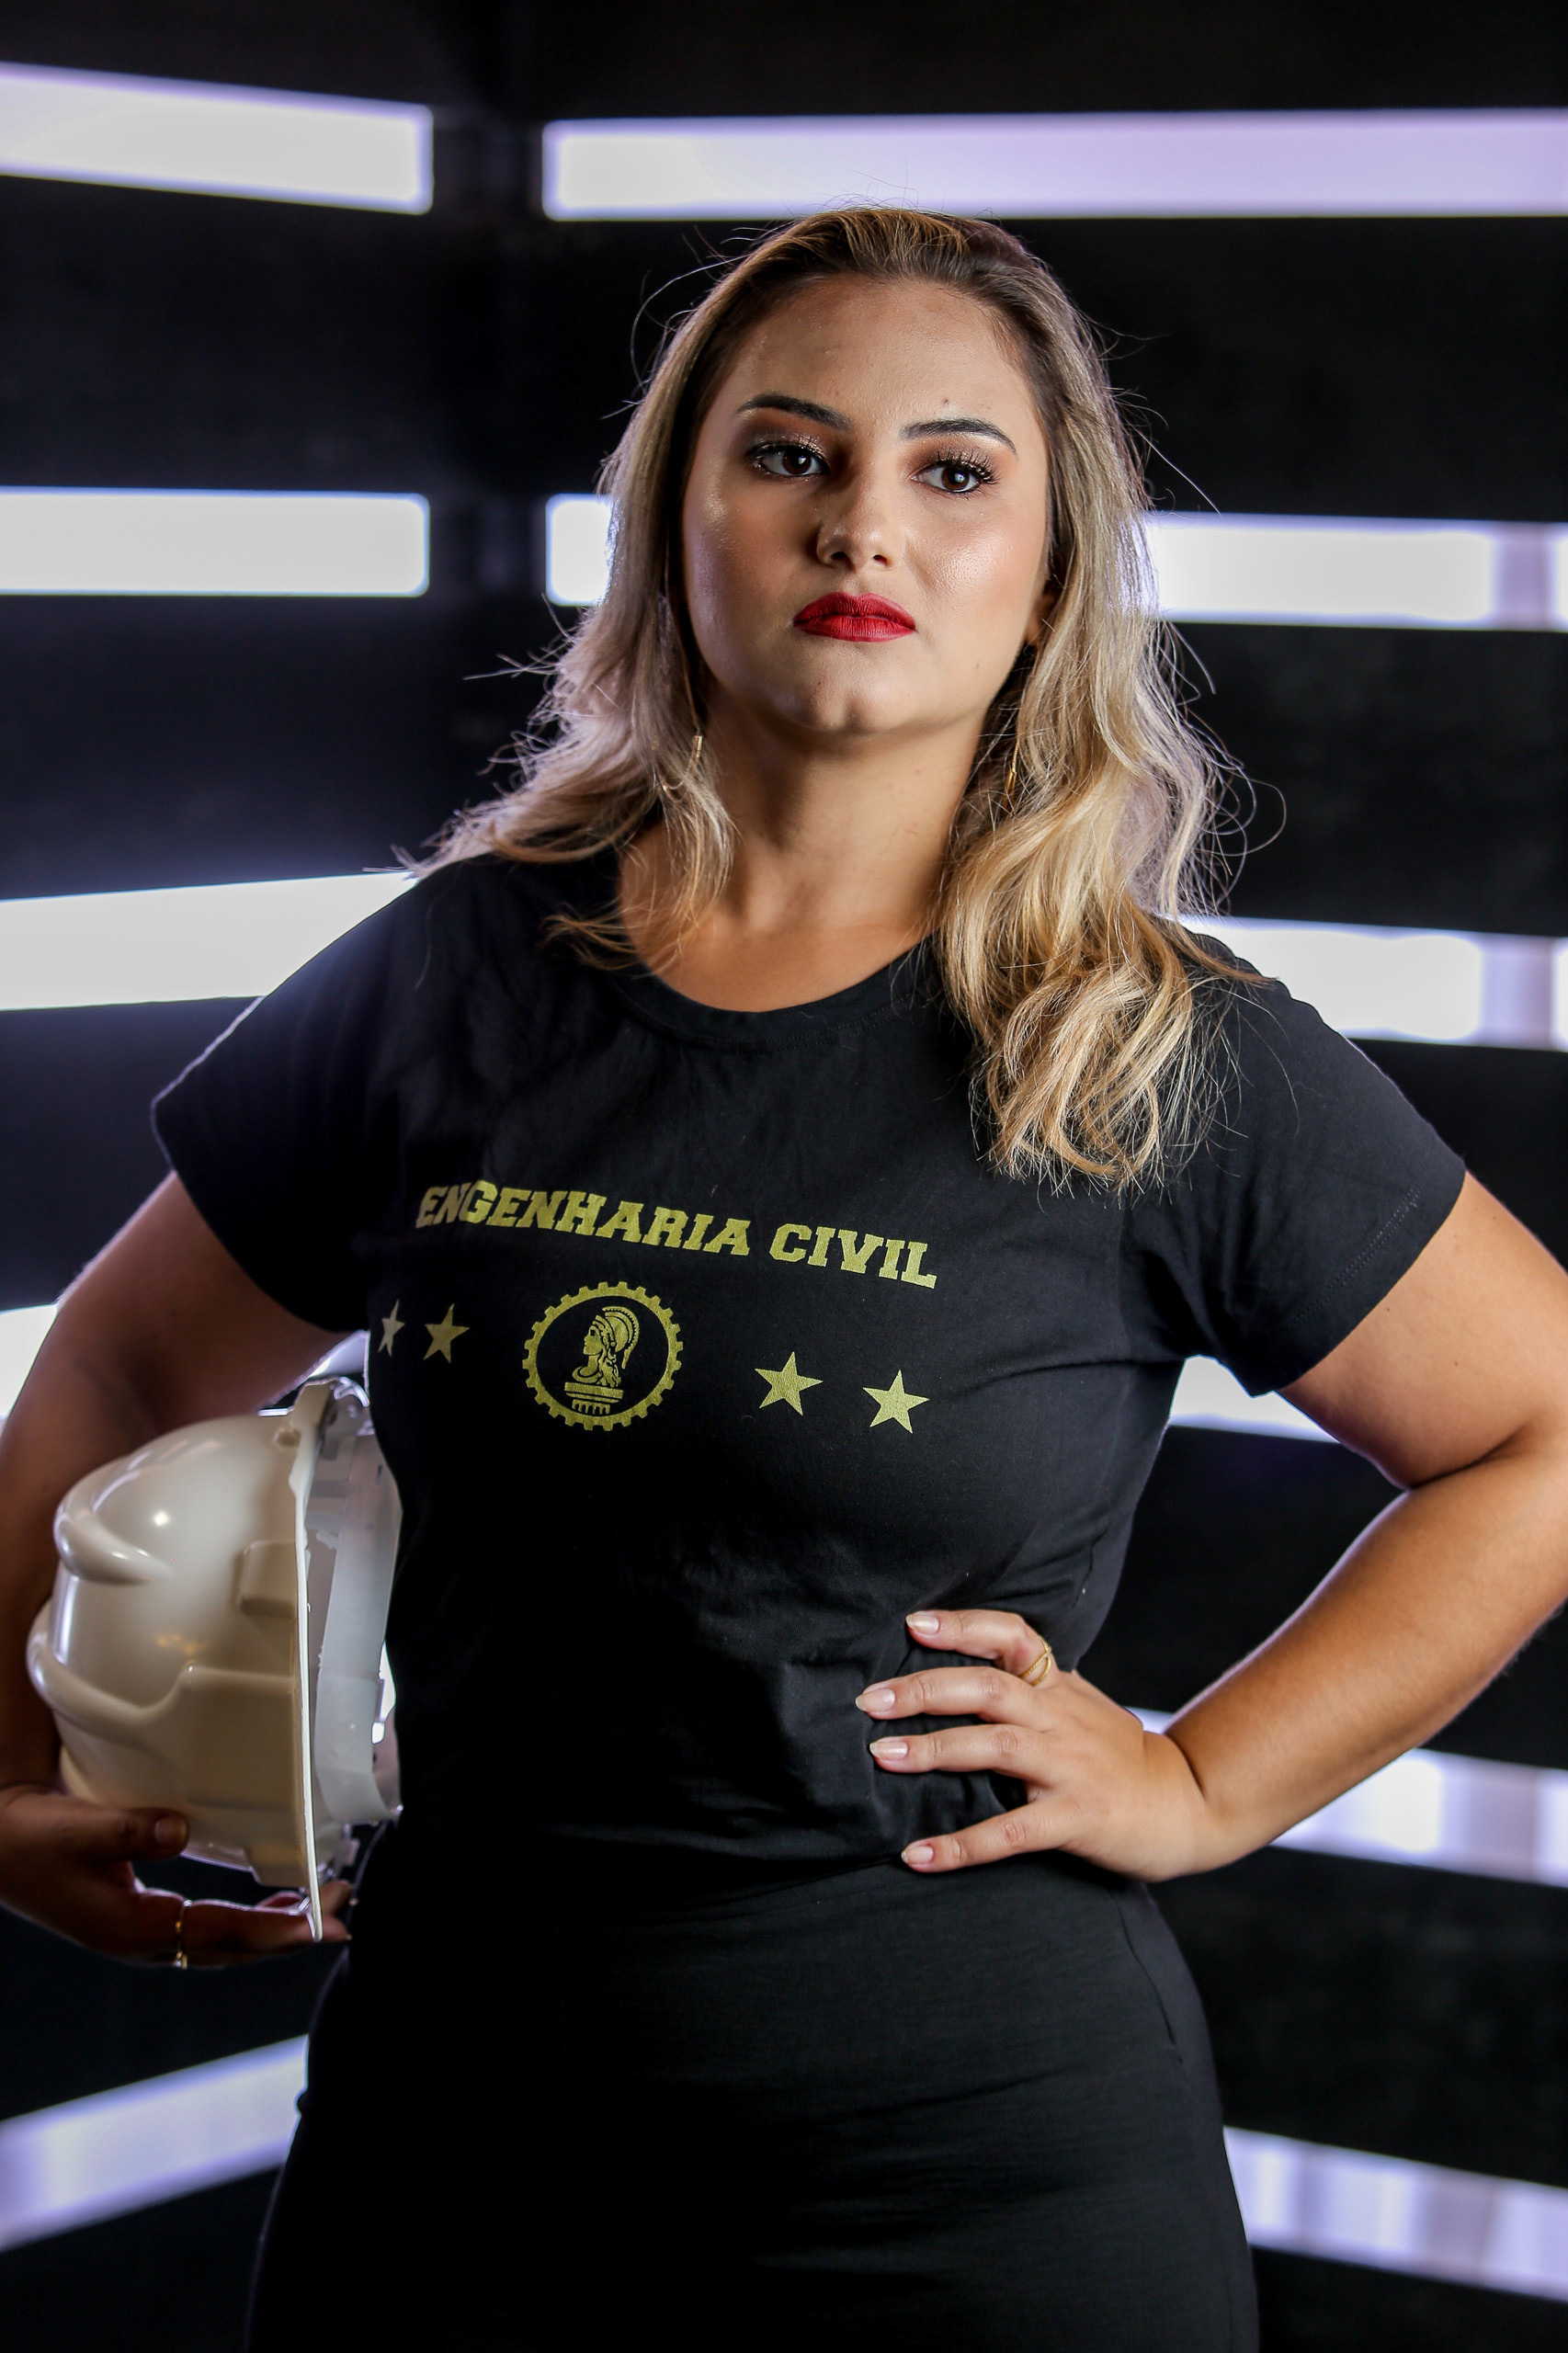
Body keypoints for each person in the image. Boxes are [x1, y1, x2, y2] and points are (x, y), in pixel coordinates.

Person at [4, 206, 1568, 2351]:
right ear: (675, 523)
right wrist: (17, 1756)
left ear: (1048, 574)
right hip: (451, 2141)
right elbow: (113, 1363)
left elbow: (1536, 1430)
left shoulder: (1143, 1042)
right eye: (787, 452)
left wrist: (1207, 1780)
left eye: (952, 469)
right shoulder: (456, 973)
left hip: (972, 2185)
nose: (863, 523)